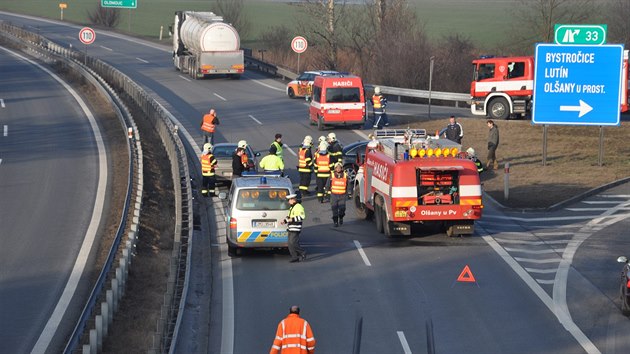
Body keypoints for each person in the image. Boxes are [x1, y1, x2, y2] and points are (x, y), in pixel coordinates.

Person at [281, 195, 307, 263]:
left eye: (289, 200)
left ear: (293, 200)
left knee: (293, 243)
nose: (288, 201)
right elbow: (290, 217)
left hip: (295, 228)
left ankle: (303, 252)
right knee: (290, 244)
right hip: (291, 228)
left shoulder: (298, 206)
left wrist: (291, 219)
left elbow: (302, 216)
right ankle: (294, 257)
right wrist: (284, 221)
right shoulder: (292, 207)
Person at [327, 162, 348, 227]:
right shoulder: (332, 175)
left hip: (342, 195)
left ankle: (341, 217)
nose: (338, 169)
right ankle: (335, 222)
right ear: (335, 168)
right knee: (334, 209)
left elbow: (348, 184)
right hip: (334, 195)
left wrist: (349, 193)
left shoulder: (345, 175)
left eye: (339, 167)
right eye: (337, 168)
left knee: (342, 209)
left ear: (341, 168)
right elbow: (328, 184)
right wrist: (327, 192)